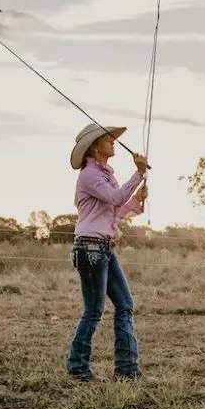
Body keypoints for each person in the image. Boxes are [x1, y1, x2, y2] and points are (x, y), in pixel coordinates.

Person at [66, 122, 149, 382]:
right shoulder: (90, 175)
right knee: (94, 311)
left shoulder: (105, 175)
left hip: (103, 248)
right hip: (90, 248)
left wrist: (137, 199)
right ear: (94, 146)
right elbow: (115, 199)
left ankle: (126, 369)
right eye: (107, 139)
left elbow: (115, 210)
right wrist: (138, 174)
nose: (113, 142)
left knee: (125, 305)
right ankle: (77, 368)